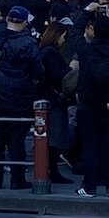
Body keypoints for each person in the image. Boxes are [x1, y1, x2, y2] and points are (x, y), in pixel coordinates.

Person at [0, 6, 43, 190]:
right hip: (21, 95)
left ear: (7, 20)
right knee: (17, 140)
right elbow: (38, 70)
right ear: (24, 22)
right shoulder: (29, 43)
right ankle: (17, 178)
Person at [73, 13, 109, 197]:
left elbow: (75, 31)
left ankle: (89, 185)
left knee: (90, 146)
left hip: (87, 103)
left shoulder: (85, 50)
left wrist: (88, 11)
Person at [36, 21, 75, 186]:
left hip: (45, 99)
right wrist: (70, 69)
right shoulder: (51, 53)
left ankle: (50, 170)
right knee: (54, 138)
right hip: (53, 100)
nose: (63, 40)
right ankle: (53, 171)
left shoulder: (43, 51)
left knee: (49, 137)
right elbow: (56, 76)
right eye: (63, 36)